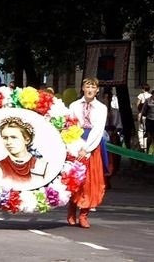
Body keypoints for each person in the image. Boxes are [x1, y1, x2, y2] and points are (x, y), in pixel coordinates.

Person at [67, 77, 107, 229]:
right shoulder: (74, 105)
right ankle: (71, 210)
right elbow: (69, 125)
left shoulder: (101, 108)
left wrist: (87, 148)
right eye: (87, 87)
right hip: (75, 143)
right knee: (74, 178)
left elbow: (98, 130)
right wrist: (75, 145)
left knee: (90, 181)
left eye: (93, 88)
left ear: (97, 90)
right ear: (83, 89)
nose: (90, 90)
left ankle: (84, 214)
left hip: (92, 145)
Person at [0, 117, 48, 189]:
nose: (8, 142)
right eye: (5, 138)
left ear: (27, 140)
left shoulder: (41, 165)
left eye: (14, 137)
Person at [136, 84, 151, 151]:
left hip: (141, 114)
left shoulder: (141, 95)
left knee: (141, 130)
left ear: (143, 89)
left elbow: (137, 104)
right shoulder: (151, 96)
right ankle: (145, 146)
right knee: (147, 130)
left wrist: (139, 112)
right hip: (148, 115)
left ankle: (141, 145)